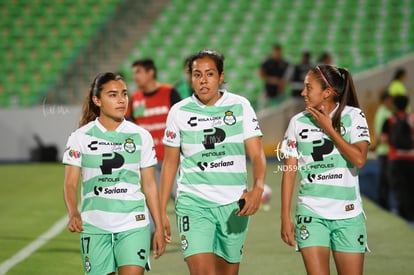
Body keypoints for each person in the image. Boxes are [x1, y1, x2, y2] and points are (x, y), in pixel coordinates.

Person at [160, 50, 266, 275]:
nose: (203, 80)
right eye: (197, 74)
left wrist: (257, 188)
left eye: (209, 74)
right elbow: (169, 164)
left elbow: (257, 155)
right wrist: (160, 212)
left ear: (220, 76)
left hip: (234, 206)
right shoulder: (178, 112)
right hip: (193, 203)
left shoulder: (241, 106)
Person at [63, 72, 165, 275]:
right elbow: (70, 183)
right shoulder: (79, 138)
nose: (121, 100)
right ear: (97, 100)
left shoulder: (141, 136)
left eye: (124, 94)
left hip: (133, 223)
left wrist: (159, 226)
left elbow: (150, 185)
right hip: (94, 224)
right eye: (112, 95)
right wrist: (74, 211)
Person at [280, 65, 371, 275]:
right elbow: (289, 171)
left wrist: (329, 128)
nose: (303, 92)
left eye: (308, 87)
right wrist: (285, 217)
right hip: (311, 213)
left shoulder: (354, 116)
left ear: (327, 92)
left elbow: (359, 159)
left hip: (349, 215)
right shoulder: (296, 123)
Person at [128, 58, 181, 198]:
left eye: (138, 72)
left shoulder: (169, 92)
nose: (135, 77)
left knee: (182, 201)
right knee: (153, 205)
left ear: (150, 72)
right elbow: (131, 126)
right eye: (134, 73)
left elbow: (183, 121)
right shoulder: (135, 98)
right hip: (149, 161)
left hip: (172, 159)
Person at [381, 95, 414, 224]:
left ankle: (403, 214)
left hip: (395, 158)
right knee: (411, 186)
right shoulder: (411, 118)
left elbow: (383, 138)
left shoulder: (390, 120)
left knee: (399, 188)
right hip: (411, 158)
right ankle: (411, 213)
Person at [373, 91, 394, 210]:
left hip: (384, 151)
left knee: (385, 180)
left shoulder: (383, 112)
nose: (391, 103)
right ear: (385, 100)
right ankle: (384, 204)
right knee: (385, 180)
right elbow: (382, 135)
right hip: (385, 151)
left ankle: (384, 204)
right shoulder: (384, 113)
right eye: (390, 100)